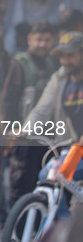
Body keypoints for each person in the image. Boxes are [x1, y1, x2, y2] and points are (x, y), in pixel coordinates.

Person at [0, 20, 58, 210]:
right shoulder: (20, 63)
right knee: (22, 184)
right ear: (29, 40)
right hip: (24, 136)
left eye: (47, 40)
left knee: (48, 183)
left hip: (50, 137)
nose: (42, 44)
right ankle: (18, 233)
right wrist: (10, 129)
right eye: (39, 40)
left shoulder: (55, 64)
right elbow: (8, 98)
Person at [24, 31, 83, 218]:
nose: (65, 61)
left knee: (64, 174)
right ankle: (64, 227)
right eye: (62, 56)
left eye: (70, 56)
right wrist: (24, 131)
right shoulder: (59, 79)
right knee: (46, 175)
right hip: (70, 148)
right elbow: (41, 110)